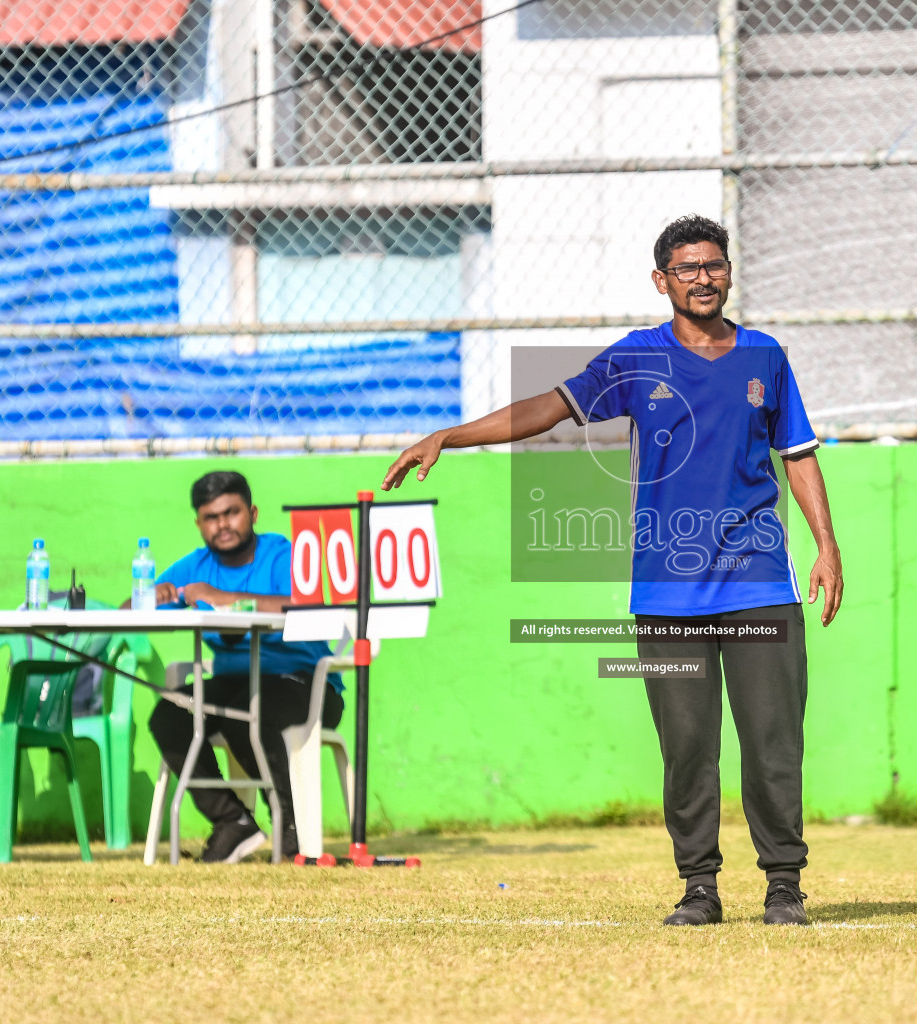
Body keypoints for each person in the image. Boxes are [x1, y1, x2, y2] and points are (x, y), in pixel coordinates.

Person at [382, 214, 842, 925]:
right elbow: (551, 407)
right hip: (666, 591)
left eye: (713, 265)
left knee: (772, 744)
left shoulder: (765, 356)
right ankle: (700, 889)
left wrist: (827, 546)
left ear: (729, 272)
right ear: (662, 281)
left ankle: (784, 885)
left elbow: (799, 452)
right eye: (687, 269)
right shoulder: (636, 358)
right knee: (687, 750)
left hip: (758, 584)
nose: (703, 278)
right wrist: (454, 435)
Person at [135, 471, 342, 863]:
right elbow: (126, 612)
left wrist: (225, 598)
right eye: (211, 517)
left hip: (304, 685)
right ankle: (233, 821)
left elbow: (306, 605)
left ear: (253, 513)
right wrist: (150, 596)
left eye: (232, 512)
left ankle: (294, 832)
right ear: (198, 523)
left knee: (249, 715)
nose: (223, 524)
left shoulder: (283, 556)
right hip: (233, 682)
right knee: (169, 716)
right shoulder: (194, 566)